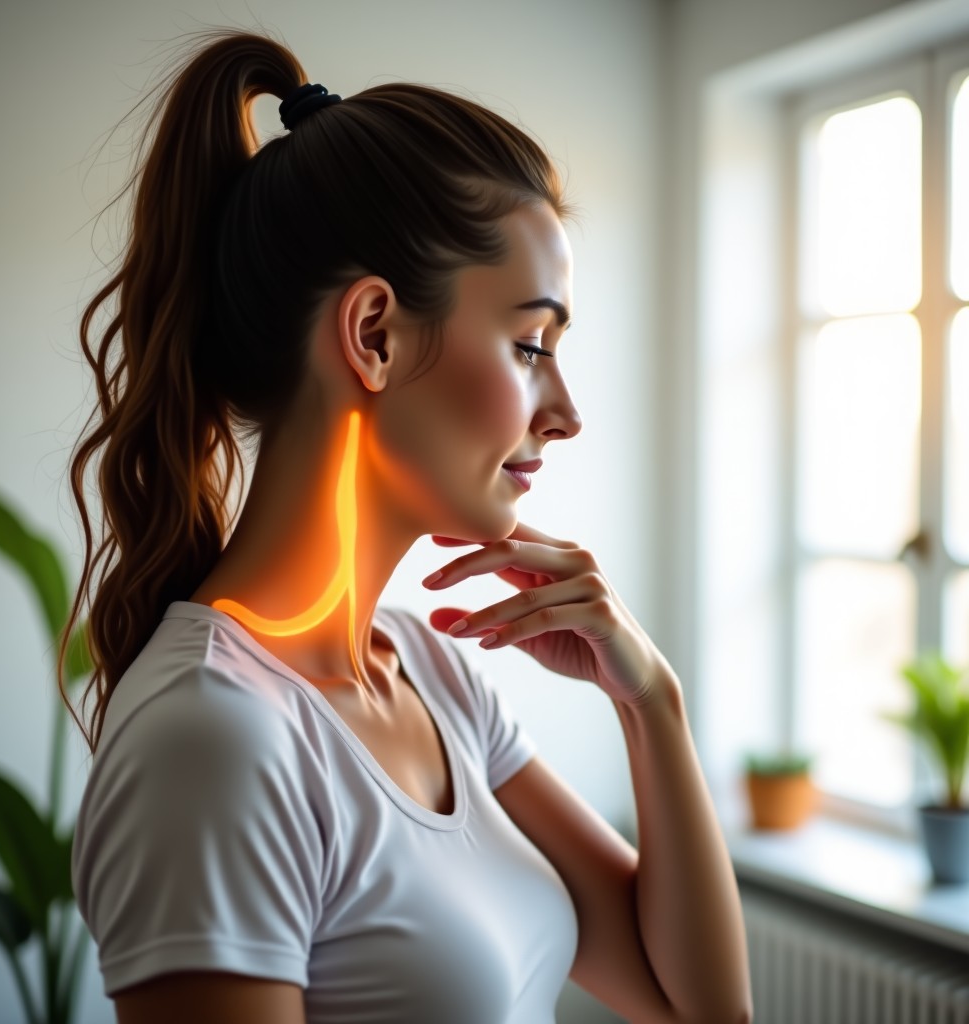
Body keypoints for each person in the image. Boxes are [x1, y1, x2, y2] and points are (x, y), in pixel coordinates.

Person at [61, 29, 752, 1024]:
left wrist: (652, 701)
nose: (563, 411)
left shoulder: (430, 672)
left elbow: (698, 1009)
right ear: (374, 334)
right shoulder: (212, 738)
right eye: (529, 344)